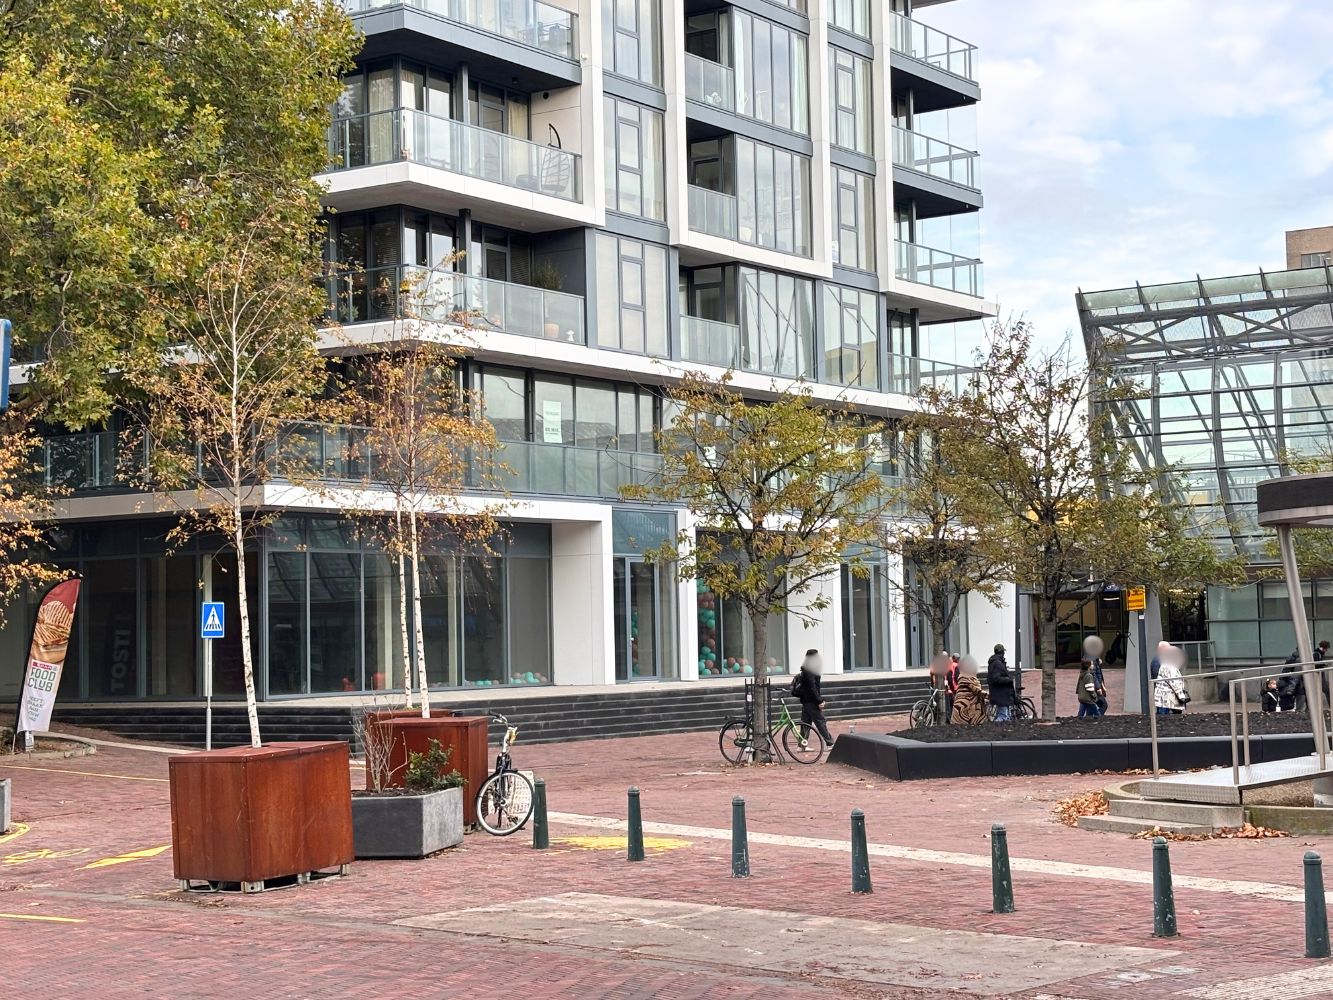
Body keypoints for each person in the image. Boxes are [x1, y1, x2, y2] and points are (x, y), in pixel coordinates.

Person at [794, 649, 833, 744]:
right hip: (811, 701)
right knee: (820, 722)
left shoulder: (806, 669)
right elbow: (813, 688)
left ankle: (802, 743)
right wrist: (819, 701)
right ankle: (830, 743)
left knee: (806, 723)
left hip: (806, 700)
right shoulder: (810, 671)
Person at [950, 656, 988, 726]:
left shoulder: (969, 676)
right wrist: (987, 695)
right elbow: (975, 690)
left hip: (970, 705)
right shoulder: (965, 677)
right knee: (964, 726)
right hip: (965, 707)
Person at [987, 643, 1016, 722]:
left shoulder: (994, 662)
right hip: (1001, 694)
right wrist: (1008, 679)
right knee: (1002, 716)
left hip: (1000, 694)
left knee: (1003, 715)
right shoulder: (997, 663)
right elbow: (996, 679)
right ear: (1002, 652)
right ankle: (995, 732)